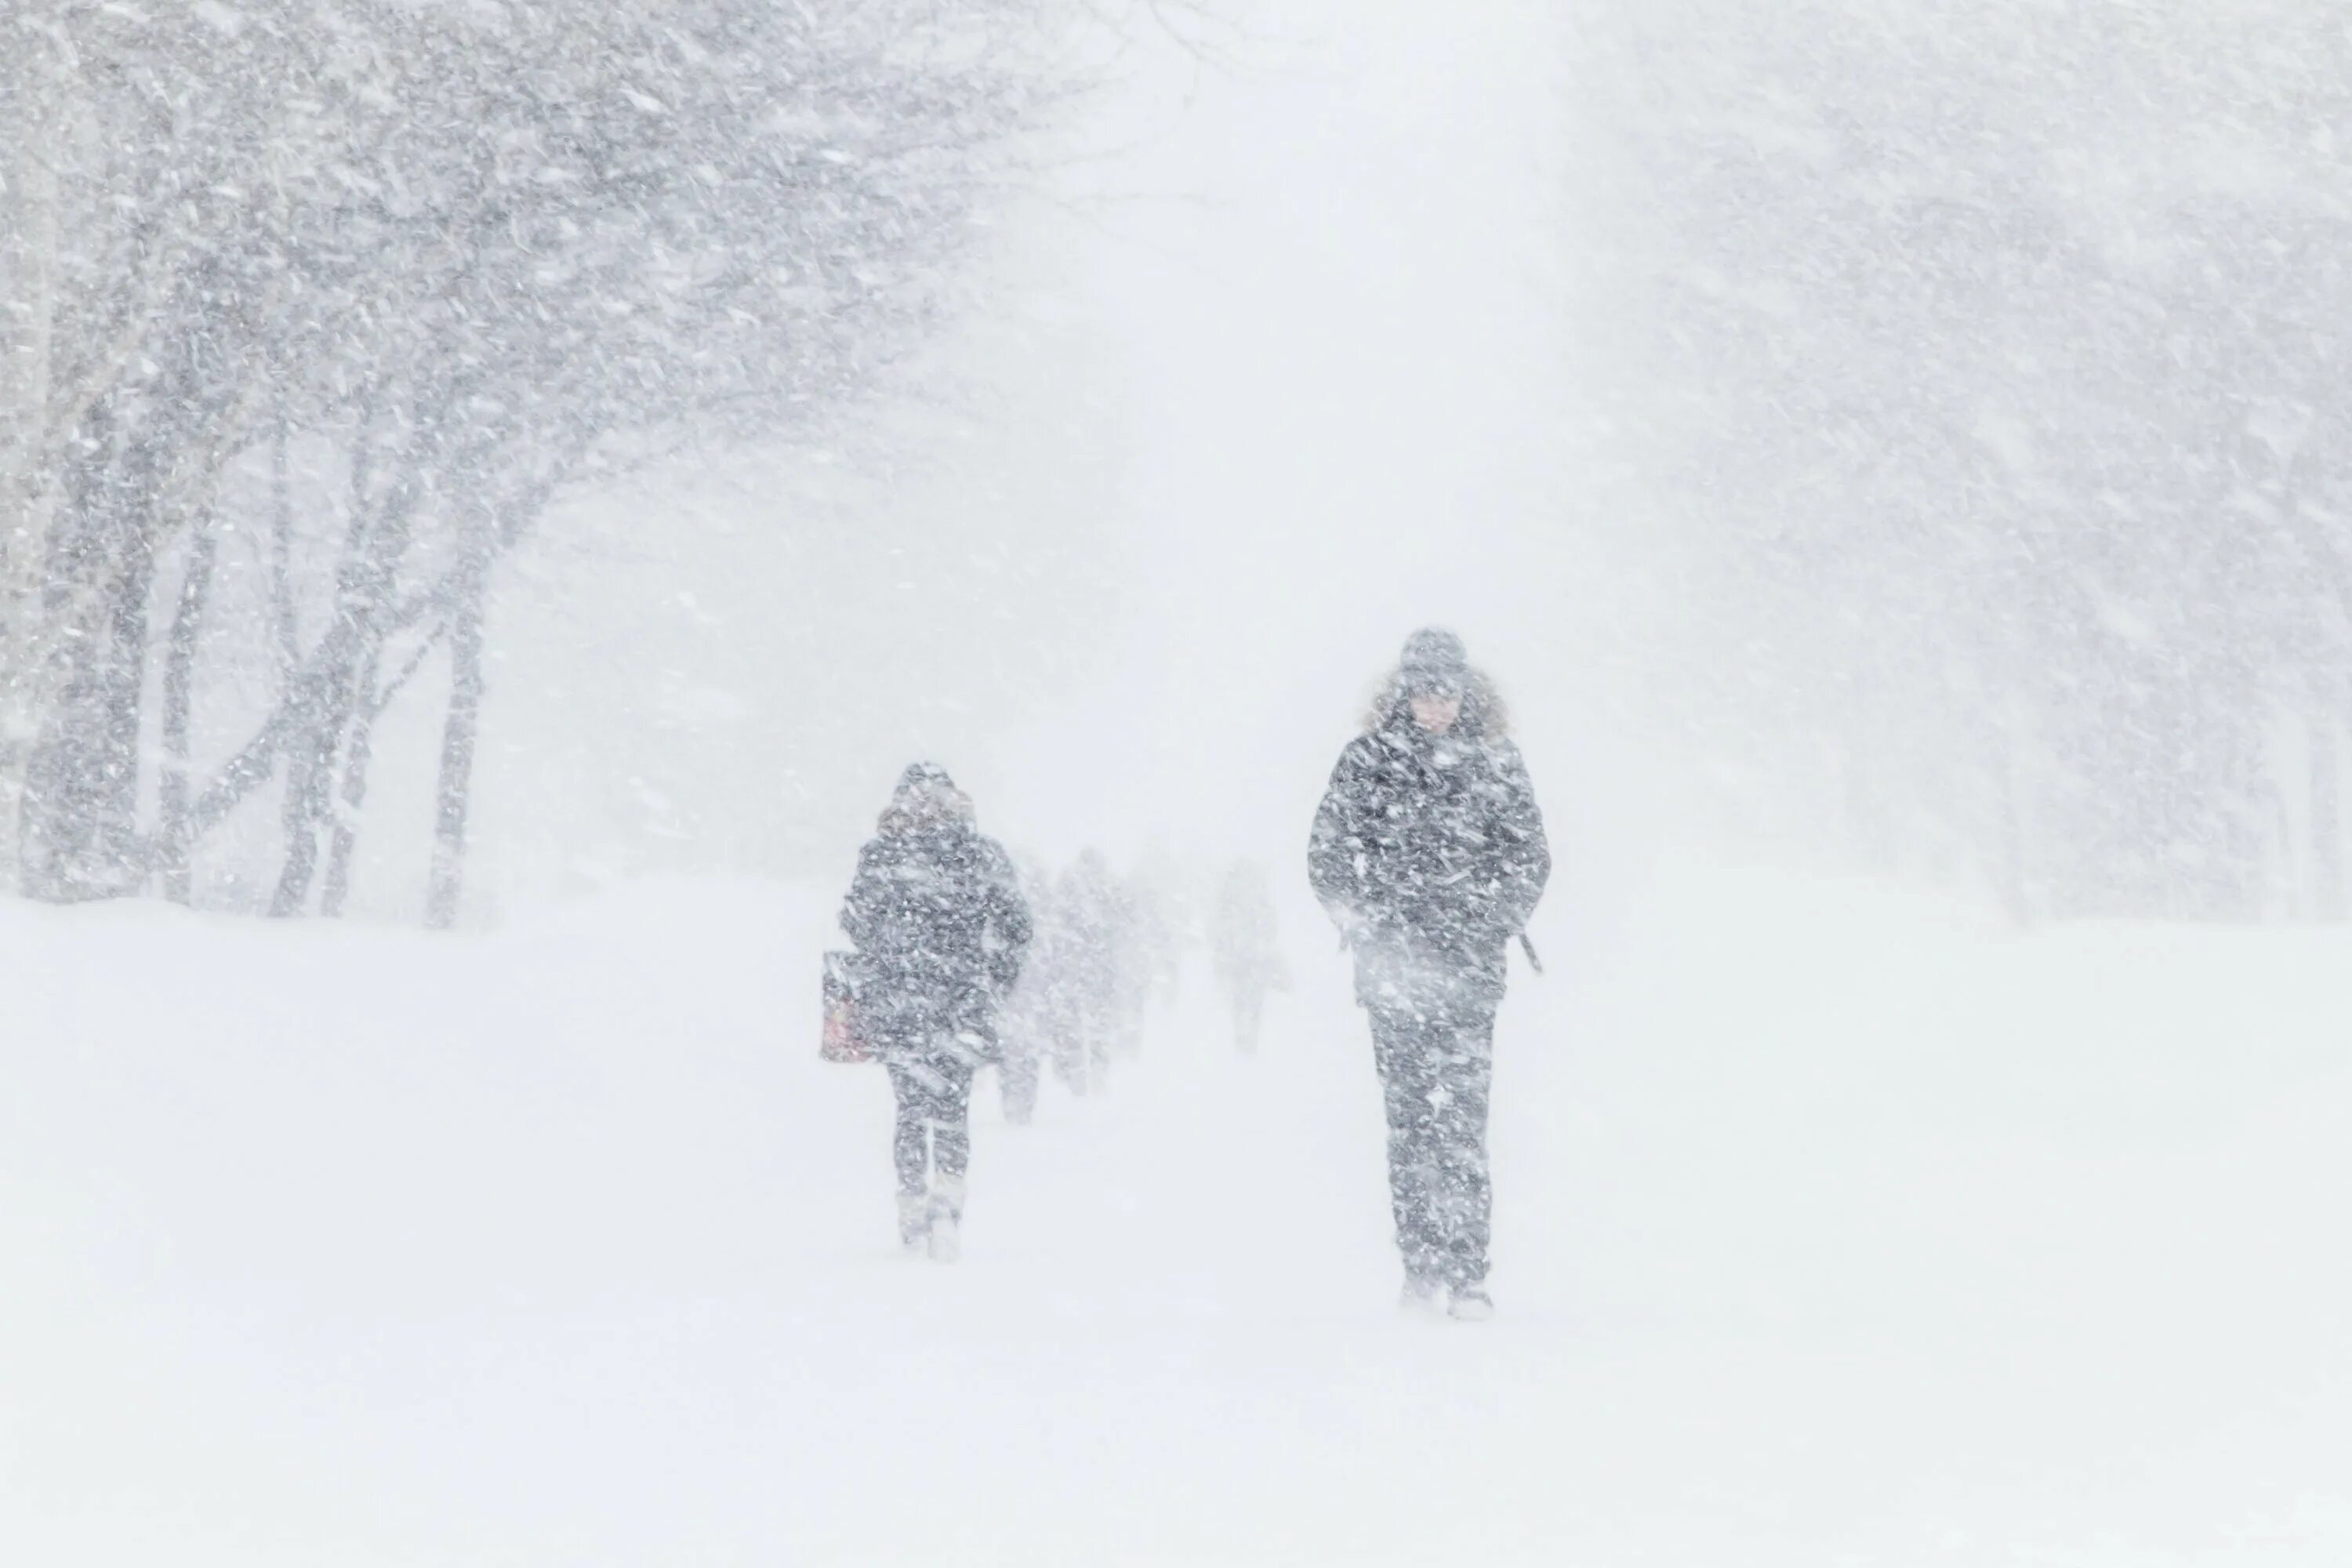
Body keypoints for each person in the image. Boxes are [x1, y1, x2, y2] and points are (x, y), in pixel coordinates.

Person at [1308, 629, 1549, 1319]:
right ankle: (1421, 1268)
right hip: (1393, 975)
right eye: (1424, 693)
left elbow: (1530, 857)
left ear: (1466, 693)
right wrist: (1364, 923)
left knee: (1464, 1128)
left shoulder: (1496, 760)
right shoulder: (1366, 761)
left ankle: (1468, 1274)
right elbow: (1326, 854)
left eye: (1447, 693)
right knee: (1411, 1125)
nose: (1436, 705)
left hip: (1470, 974)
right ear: (1404, 693)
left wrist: (1490, 918)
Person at [840, 763, 1032, 1260]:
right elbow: (1016, 925)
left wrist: (893, 954)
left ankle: (911, 1203)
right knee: (952, 1105)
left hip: (899, 998)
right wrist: (994, 980)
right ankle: (947, 1202)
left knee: (909, 1108)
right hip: (960, 1000)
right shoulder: (980, 852)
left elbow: (855, 921)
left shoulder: (882, 851)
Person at [1210, 859, 1289, 1053]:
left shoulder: (1232, 901)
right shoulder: (1255, 900)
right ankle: (1247, 1036)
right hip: (1250, 958)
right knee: (1250, 998)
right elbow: (1270, 929)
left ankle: (1244, 1036)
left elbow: (1219, 929)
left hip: (1244, 958)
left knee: (1244, 998)